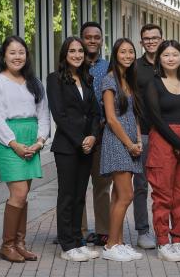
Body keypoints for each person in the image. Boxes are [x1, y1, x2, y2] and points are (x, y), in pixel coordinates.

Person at [0, 36, 50, 263]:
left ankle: (20, 244)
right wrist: (14, 144)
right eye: (12, 52)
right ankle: (7, 245)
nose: (17, 57)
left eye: (21, 52)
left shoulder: (35, 82)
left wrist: (40, 141)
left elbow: (43, 113)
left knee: (23, 195)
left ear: (27, 56)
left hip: (32, 139)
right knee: (18, 193)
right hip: (8, 142)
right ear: (4, 56)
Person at [47, 37, 100, 262]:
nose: (77, 55)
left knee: (80, 196)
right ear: (64, 54)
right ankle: (67, 245)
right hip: (67, 147)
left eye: (80, 51)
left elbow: (96, 113)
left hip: (87, 146)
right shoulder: (55, 79)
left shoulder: (87, 78)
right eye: (72, 51)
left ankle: (78, 240)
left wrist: (93, 137)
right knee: (67, 196)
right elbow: (60, 115)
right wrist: (81, 140)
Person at [145, 40, 180, 262]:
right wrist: (179, 144)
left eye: (175, 54)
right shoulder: (154, 84)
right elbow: (156, 119)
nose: (170, 58)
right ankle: (163, 242)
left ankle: (178, 239)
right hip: (163, 141)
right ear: (159, 58)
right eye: (166, 54)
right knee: (163, 195)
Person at [99, 38, 144, 262]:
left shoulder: (129, 80)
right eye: (123, 52)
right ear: (115, 54)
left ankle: (117, 242)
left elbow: (133, 114)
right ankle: (110, 246)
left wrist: (138, 140)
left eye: (131, 52)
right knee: (126, 195)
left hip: (130, 142)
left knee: (118, 195)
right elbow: (111, 119)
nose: (127, 55)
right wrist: (128, 144)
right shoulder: (110, 81)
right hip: (117, 142)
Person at [132, 23, 166, 249]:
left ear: (161, 39)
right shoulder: (135, 67)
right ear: (141, 41)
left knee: (164, 186)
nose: (151, 41)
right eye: (147, 38)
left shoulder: (170, 61)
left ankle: (164, 230)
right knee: (142, 185)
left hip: (166, 135)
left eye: (155, 37)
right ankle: (143, 231)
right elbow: (129, 103)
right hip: (143, 133)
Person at [79, 21, 111, 247]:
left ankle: (103, 231)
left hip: (102, 134)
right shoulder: (72, 64)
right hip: (78, 136)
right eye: (88, 37)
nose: (92, 40)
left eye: (96, 37)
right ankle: (78, 231)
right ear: (81, 39)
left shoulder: (108, 67)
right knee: (78, 186)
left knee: (102, 186)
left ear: (101, 40)